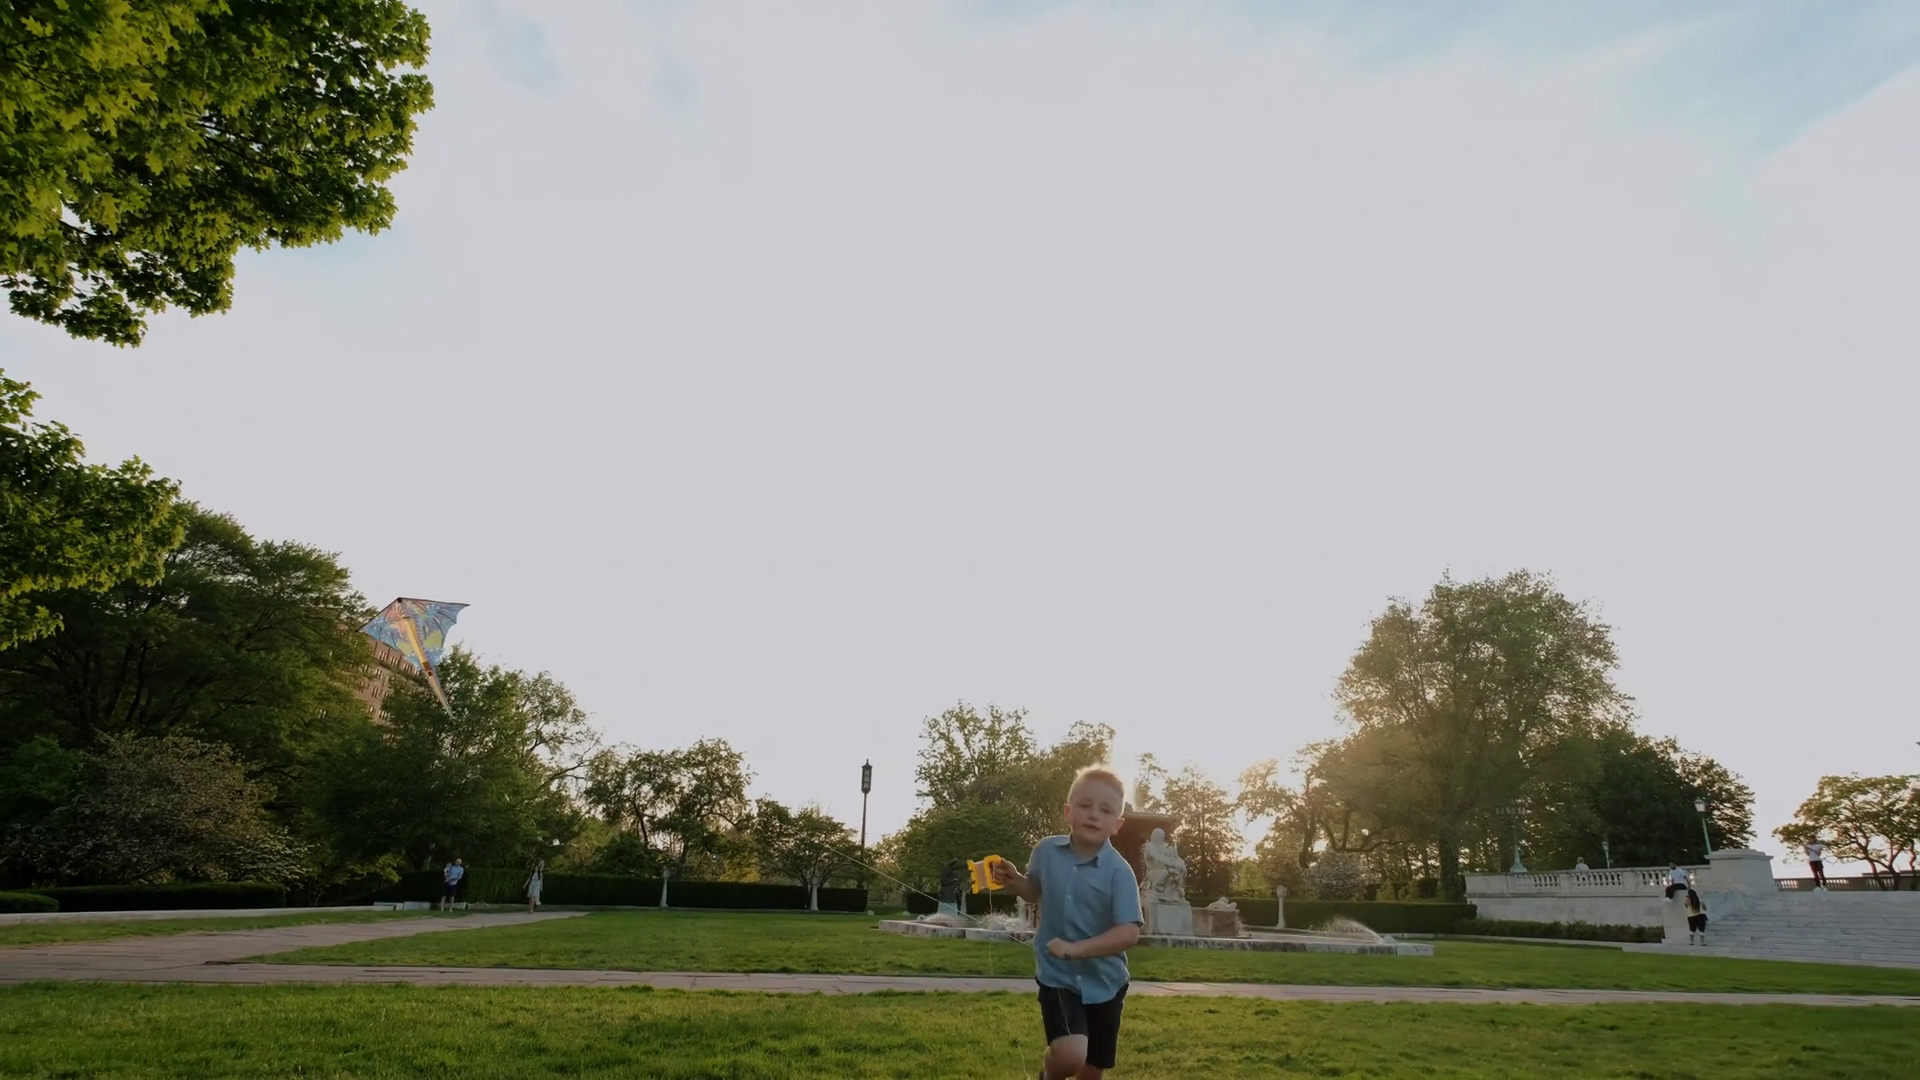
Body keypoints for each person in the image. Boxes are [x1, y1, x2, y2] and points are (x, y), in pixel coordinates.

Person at [991, 766, 1143, 1080]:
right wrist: (1016, 880)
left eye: (1105, 810)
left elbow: (1129, 933)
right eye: (1085, 805)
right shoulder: (1046, 851)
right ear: (1068, 812)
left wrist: (1076, 949)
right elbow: (1035, 891)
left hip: (1107, 982)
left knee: (1091, 1071)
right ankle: (1050, 1071)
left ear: (1117, 824)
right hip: (1057, 975)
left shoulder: (1120, 872)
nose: (1094, 815)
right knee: (1071, 1055)